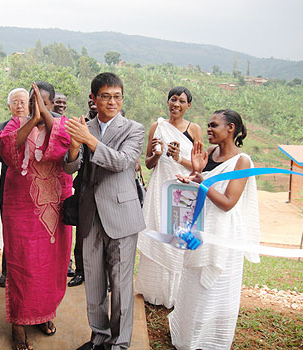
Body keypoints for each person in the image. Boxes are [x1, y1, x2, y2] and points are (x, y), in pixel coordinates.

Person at [64, 72, 145, 350]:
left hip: (122, 216)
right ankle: (99, 337)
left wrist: (89, 140)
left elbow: (123, 162)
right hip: (90, 214)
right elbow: (69, 168)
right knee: (95, 282)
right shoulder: (84, 127)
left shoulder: (134, 129)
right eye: (106, 96)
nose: (112, 102)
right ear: (94, 98)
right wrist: (75, 146)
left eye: (117, 96)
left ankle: (119, 344)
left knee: (121, 287)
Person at [169, 109, 260, 349]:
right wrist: (191, 177)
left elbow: (228, 203)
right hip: (200, 227)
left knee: (215, 289)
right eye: (208, 125)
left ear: (231, 128)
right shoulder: (210, 152)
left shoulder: (242, 161)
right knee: (193, 284)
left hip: (223, 234)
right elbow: (200, 183)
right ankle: (188, 337)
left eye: (213, 125)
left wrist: (200, 182)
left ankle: (210, 341)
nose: (208, 129)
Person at [0, 83, 73, 350]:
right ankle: (18, 323)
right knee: (22, 263)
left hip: (53, 206)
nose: (36, 105)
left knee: (50, 265)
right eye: (32, 101)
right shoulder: (14, 124)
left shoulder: (62, 125)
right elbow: (5, 148)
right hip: (20, 206)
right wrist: (32, 121)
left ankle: (43, 313)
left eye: (42, 101)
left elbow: (66, 147)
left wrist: (45, 118)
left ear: (52, 103)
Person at [136, 87, 202, 308]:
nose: (176, 104)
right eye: (173, 99)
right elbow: (147, 163)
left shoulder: (195, 130)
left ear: (188, 105)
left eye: (181, 101)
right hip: (159, 189)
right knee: (158, 231)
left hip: (183, 191)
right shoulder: (158, 126)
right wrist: (156, 154)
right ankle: (153, 291)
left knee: (178, 237)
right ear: (167, 102)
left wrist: (178, 157)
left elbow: (199, 166)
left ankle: (176, 294)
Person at [0, 88, 30, 288]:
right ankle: (7, 272)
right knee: (10, 232)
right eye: (15, 102)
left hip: (31, 189)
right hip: (9, 186)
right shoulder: (1, 128)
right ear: (9, 106)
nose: (20, 106)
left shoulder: (37, 126)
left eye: (23, 102)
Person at [67, 92, 98, 288]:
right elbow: (73, 160)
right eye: (91, 103)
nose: (94, 106)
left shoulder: (115, 126)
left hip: (106, 185)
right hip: (84, 183)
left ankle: (102, 275)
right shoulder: (82, 124)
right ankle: (80, 271)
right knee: (82, 232)